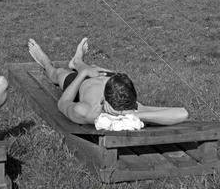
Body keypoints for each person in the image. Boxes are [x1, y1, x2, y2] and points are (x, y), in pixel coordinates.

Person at [28, 38, 189, 126]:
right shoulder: (132, 108)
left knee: (57, 73)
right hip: (108, 78)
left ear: (103, 101)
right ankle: (77, 62)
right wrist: (136, 113)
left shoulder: (87, 112)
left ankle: (46, 61)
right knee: (96, 69)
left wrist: (83, 75)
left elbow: (63, 103)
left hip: (81, 84)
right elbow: (182, 113)